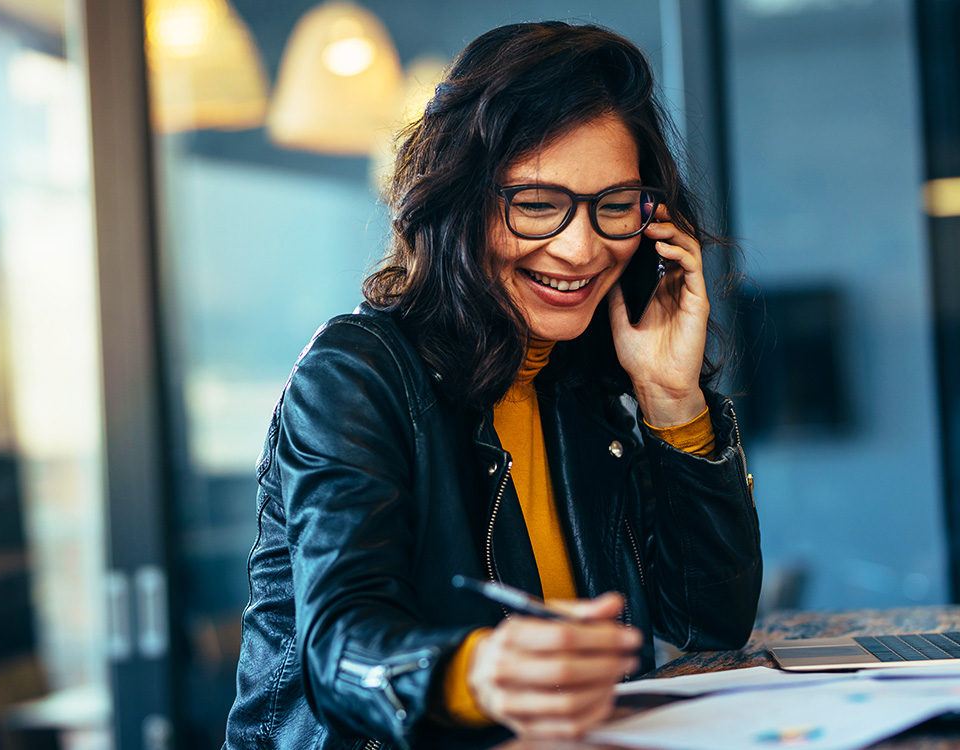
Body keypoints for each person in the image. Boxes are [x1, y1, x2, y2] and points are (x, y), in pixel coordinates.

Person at [224, 20, 761, 750]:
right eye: (538, 204)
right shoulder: (354, 374)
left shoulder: (577, 388)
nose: (582, 247)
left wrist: (672, 400)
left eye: (614, 205)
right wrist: (478, 674)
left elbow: (710, 624)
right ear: (461, 201)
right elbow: (341, 649)